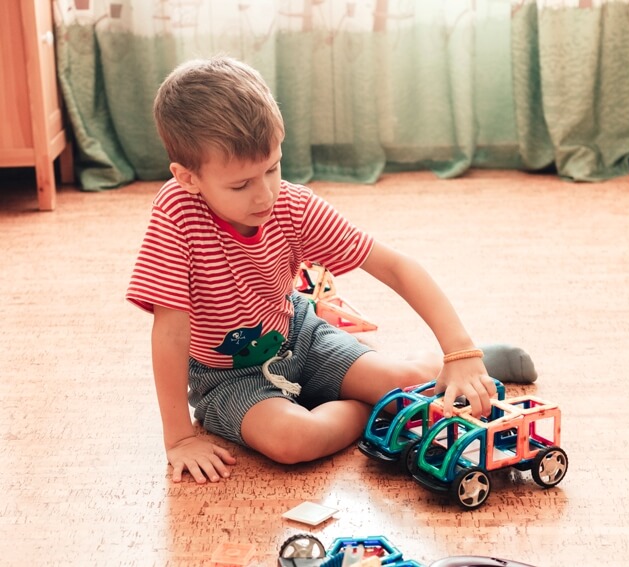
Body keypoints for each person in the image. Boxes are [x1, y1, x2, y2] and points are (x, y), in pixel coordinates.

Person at [127, 56, 537, 485]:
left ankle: (465, 364)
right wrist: (178, 438)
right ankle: (379, 404)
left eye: (272, 168)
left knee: (406, 380)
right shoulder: (176, 214)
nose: (265, 194)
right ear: (188, 178)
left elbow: (395, 267)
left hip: (300, 337)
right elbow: (170, 331)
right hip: (226, 378)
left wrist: (462, 349)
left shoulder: (292, 204)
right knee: (293, 439)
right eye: (241, 184)